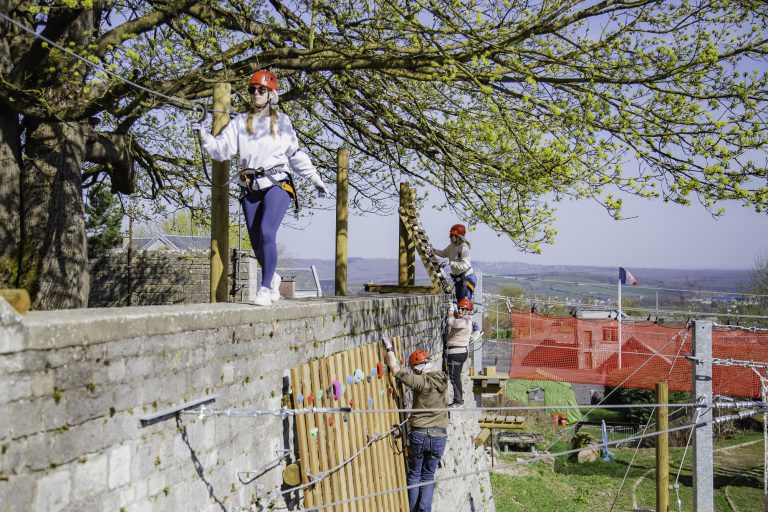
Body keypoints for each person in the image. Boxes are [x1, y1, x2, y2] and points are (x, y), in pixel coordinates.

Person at [192, 69, 329, 306]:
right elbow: (221, 150)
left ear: (271, 94)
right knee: (256, 241)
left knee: (267, 231)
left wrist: (316, 179)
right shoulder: (239, 123)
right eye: (253, 89)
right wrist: (203, 134)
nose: (256, 93)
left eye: (261, 89)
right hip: (250, 187)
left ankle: (265, 288)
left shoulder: (282, 123)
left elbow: (295, 155)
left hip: (277, 183)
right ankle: (272, 276)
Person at [382, 337, 448, 512]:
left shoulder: (420, 382)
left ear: (417, 371)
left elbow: (395, 370)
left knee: (414, 475)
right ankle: (424, 510)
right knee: (428, 476)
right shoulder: (443, 380)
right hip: (440, 436)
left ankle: (411, 509)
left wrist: (389, 348)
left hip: (420, 434)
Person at [430, 224, 483, 341]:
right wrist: (432, 250)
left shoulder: (464, 247)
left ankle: (476, 329)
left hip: (466, 278)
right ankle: (464, 329)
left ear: (458, 236)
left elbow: (465, 265)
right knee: (460, 307)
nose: (450, 237)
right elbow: (443, 253)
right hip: (459, 279)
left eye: (452, 235)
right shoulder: (452, 246)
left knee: (465, 306)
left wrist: (451, 263)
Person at [446, 298, 473, 408]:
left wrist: (451, 310)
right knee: (455, 377)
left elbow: (451, 322)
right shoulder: (466, 320)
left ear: (467, 310)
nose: (460, 311)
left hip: (456, 353)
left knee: (454, 377)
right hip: (459, 352)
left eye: (462, 309)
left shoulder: (465, 321)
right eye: (459, 308)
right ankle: (458, 400)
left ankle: (458, 401)